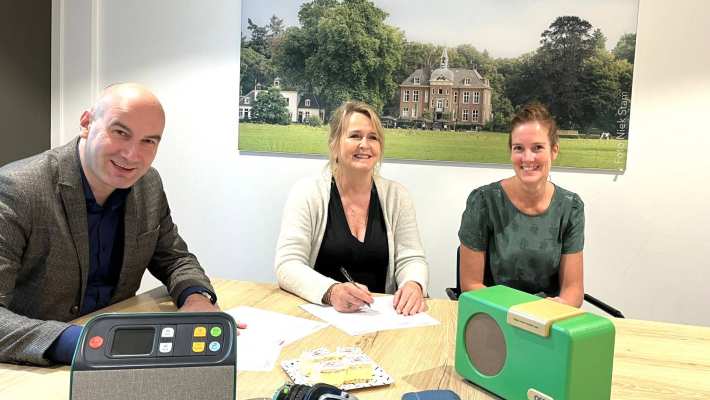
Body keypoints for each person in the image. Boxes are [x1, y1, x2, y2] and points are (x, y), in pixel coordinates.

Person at [0, 83, 233, 366]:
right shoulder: (19, 189)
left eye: (149, 141)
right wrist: (82, 342)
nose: (132, 155)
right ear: (87, 123)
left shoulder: (148, 184)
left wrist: (196, 297)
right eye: (120, 132)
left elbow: (174, 258)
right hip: (33, 365)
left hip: (118, 354)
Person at [275, 101, 428, 315]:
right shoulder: (307, 193)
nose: (364, 144)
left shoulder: (397, 196)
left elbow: (411, 258)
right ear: (335, 144)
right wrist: (331, 291)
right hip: (318, 315)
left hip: (381, 319)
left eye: (373, 137)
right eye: (355, 136)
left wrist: (414, 284)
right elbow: (287, 265)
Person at [457, 103, 584, 307]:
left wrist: (551, 311)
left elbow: (573, 291)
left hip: (547, 318)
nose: (527, 158)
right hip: (495, 314)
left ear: (554, 151)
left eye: (537, 148)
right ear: (510, 152)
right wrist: (520, 315)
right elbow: (471, 284)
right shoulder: (483, 202)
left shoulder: (571, 207)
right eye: (519, 148)